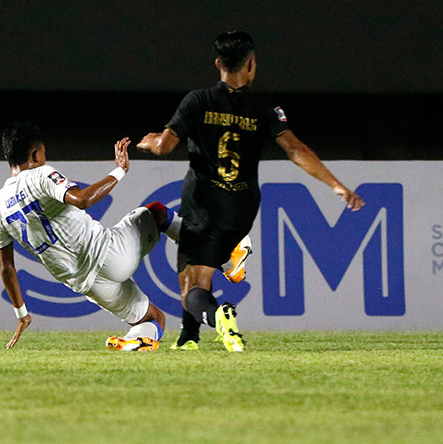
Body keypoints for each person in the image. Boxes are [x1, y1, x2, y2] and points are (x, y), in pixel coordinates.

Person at [138, 30, 365, 352]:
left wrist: (148, 142)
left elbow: (164, 146)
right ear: (251, 65)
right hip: (242, 207)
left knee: (191, 285)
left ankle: (219, 321)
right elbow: (296, 149)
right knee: (199, 271)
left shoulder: (198, 101)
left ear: (218, 63)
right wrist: (337, 186)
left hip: (204, 203)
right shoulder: (264, 108)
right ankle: (189, 338)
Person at [0, 123, 182, 351]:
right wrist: (119, 171)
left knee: (152, 319)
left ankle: (135, 341)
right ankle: (224, 256)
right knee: (157, 212)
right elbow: (82, 199)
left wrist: (22, 314)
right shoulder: (41, 174)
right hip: (109, 252)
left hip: (88, 284)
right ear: (36, 154)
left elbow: (6, 268)